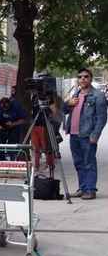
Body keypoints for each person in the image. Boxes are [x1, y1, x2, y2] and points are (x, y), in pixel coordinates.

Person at [64, 68, 107, 200]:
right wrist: (68, 103)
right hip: (74, 134)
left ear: (91, 79)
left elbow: (102, 118)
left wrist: (95, 135)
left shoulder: (98, 95)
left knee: (89, 163)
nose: (82, 79)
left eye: (86, 76)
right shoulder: (75, 93)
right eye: (80, 76)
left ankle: (90, 190)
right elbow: (64, 110)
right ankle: (82, 188)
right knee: (78, 163)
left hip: (87, 135)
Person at [31, 94, 57, 177]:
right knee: (36, 147)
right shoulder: (34, 97)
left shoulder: (48, 97)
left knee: (47, 147)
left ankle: (50, 165)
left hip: (44, 125)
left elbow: (54, 111)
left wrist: (49, 119)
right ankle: (36, 166)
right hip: (35, 125)